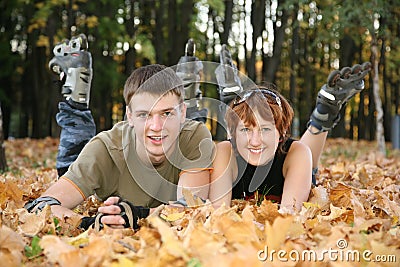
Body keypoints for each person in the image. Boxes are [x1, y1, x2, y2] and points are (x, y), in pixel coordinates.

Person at [25, 62, 215, 230]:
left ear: (182, 113)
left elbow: (192, 207)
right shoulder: (105, 149)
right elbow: (40, 206)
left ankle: (190, 87)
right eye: (144, 115)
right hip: (97, 160)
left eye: (166, 113)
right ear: (129, 116)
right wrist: (91, 224)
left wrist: (136, 216)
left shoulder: (194, 136)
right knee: (71, 150)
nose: (157, 126)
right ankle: (76, 98)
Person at [208, 61, 371, 213]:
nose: (255, 141)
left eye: (265, 129)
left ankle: (324, 115)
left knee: (303, 153)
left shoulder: (296, 153)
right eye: (245, 130)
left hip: (293, 160)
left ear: (281, 133)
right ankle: (231, 102)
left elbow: (289, 217)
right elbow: (219, 215)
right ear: (233, 134)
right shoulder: (225, 151)